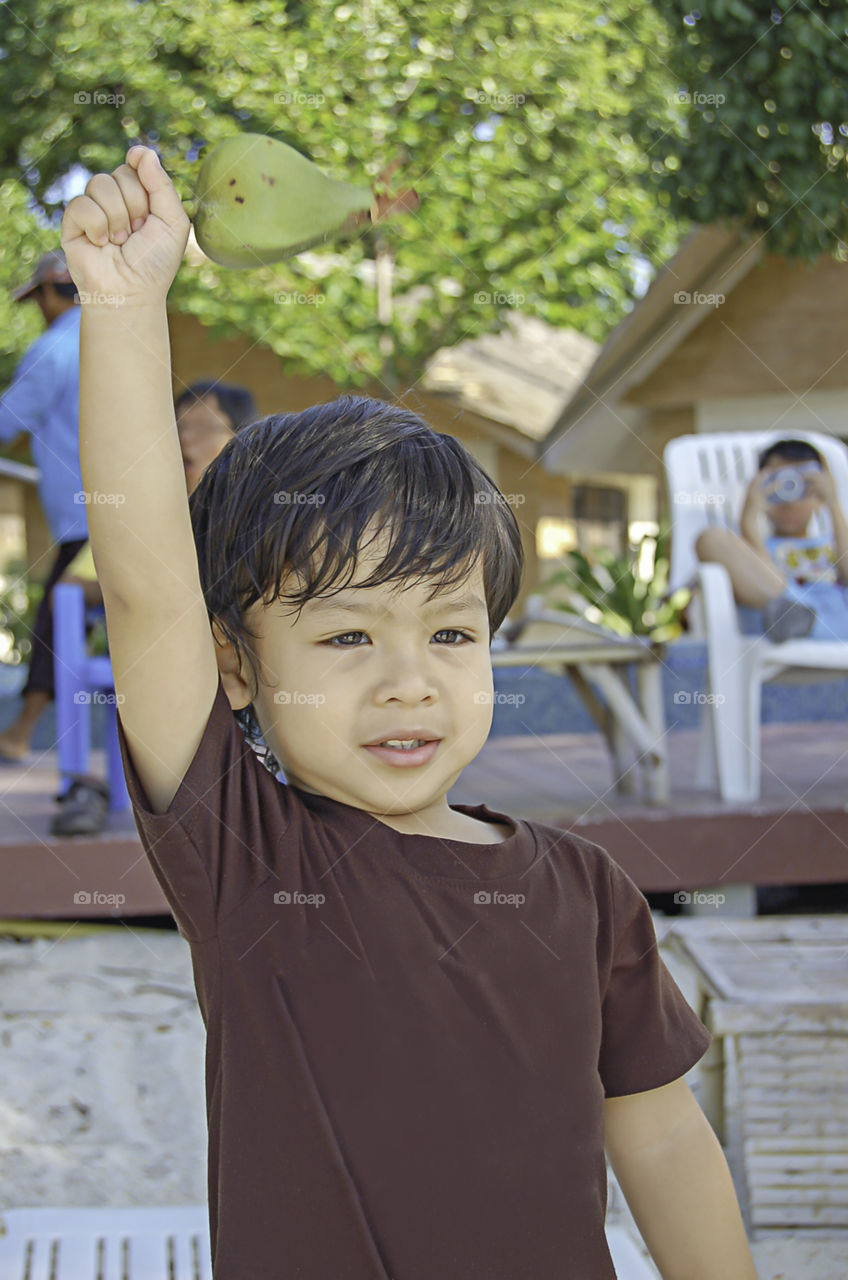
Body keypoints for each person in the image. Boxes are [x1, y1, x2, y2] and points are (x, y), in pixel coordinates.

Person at [60, 145, 758, 1280]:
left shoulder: (583, 892)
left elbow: (663, 1135)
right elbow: (145, 584)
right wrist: (126, 302)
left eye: (449, 632)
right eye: (344, 637)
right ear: (235, 665)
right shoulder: (244, 855)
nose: (408, 681)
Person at [49, 380, 258, 836]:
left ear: (242, 438)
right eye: (177, 427)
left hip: (243, 658)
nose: (184, 439)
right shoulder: (147, 517)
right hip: (155, 657)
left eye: (202, 427)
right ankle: (85, 789)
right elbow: (72, 583)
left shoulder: (261, 518)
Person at [0, 250, 87, 762]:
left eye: (37, 298)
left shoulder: (55, 348)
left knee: (60, 611)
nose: (38, 309)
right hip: (118, 513)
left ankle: (22, 732)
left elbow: (8, 422)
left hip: (86, 519)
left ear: (53, 292)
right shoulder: (118, 340)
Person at [696, 437, 848, 643]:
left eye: (801, 485)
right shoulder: (756, 548)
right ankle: (794, 616)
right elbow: (762, 578)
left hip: (838, 626)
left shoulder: (836, 544)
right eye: (780, 485)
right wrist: (748, 519)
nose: (790, 501)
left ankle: (803, 620)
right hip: (779, 626)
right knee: (711, 540)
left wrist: (832, 501)